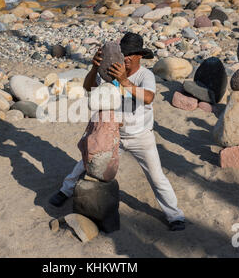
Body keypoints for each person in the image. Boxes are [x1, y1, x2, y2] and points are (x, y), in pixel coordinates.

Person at [49, 32, 186, 231]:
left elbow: (148, 98)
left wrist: (125, 82)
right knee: (85, 163)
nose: (127, 58)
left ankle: (175, 215)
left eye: (132, 54)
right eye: (125, 54)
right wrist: (95, 66)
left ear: (140, 56)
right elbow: (89, 88)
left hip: (141, 136)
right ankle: (65, 190)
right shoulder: (111, 70)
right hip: (113, 135)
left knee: (157, 177)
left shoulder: (144, 75)